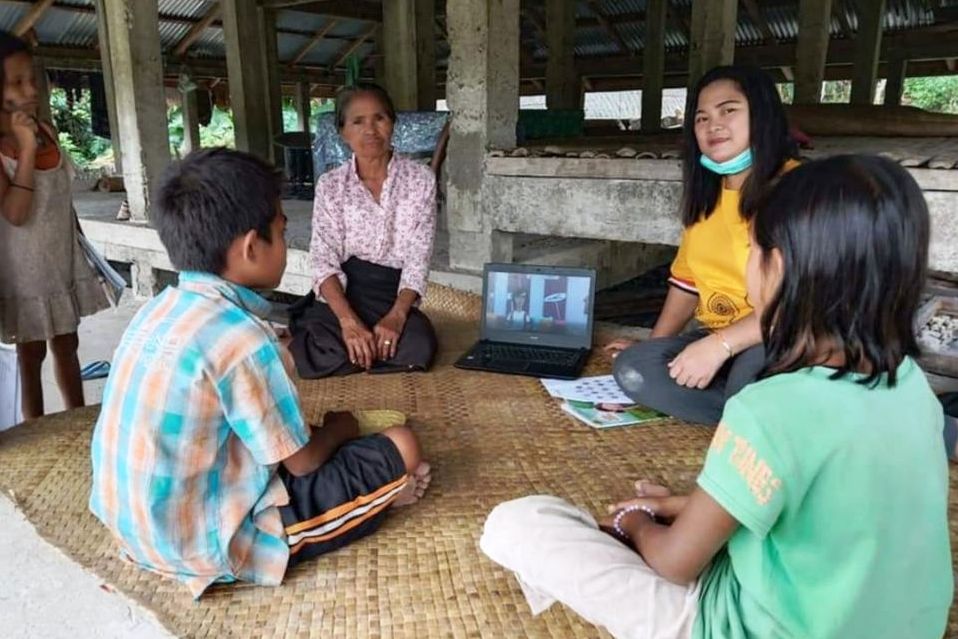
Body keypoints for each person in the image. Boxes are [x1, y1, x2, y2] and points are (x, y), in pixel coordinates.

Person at [480, 155, 952, 639]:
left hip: (749, 628)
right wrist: (691, 505)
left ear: (779, 267)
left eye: (752, 248)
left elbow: (673, 564)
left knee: (516, 523)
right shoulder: (911, 385)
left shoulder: (771, 407)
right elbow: (835, 506)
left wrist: (639, 521)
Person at [89, 148, 432, 598]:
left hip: (132, 520)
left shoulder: (158, 310)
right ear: (252, 247)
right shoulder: (246, 340)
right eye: (282, 232)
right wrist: (341, 427)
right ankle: (379, 500)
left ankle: (373, 494)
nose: (288, 245)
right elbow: (304, 461)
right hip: (205, 541)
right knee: (402, 446)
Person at [607, 66, 799, 425]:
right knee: (633, 368)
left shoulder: (796, 188)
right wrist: (656, 344)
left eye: (729, 110)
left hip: (779, 338)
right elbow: (686, 283)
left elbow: (799, 305)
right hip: (716, 337)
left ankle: (751, 410)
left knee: (752, 371)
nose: (714, 125)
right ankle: (756, 416)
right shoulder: (706, 196)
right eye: (702, 118)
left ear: (762, 114)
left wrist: (721, 346)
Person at [289, 83, 438, 378]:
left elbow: (418, 259)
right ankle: (365, 349)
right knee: (321, 347)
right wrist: (348, 322)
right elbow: (323, 260)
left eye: (379, 118)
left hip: (392, 292)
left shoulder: (420, 179)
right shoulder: (331, 186)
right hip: (348, 290)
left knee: (419, 345)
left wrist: (396, 316)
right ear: (343, 132)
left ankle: (364, 353)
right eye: (358, 122)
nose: (370, 130)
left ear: (392, 123)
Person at [0, 32, 109, 419]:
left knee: (68, 343)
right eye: (16, 82)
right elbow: (15, 213)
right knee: (32, 353)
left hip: (60, 256)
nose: (30, 89)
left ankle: (76, 423)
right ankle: (36, 432)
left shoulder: (45, 128)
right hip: (24, 269)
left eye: (31, 78)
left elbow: (60, 198)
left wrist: (79, 246)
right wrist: (26, 149)